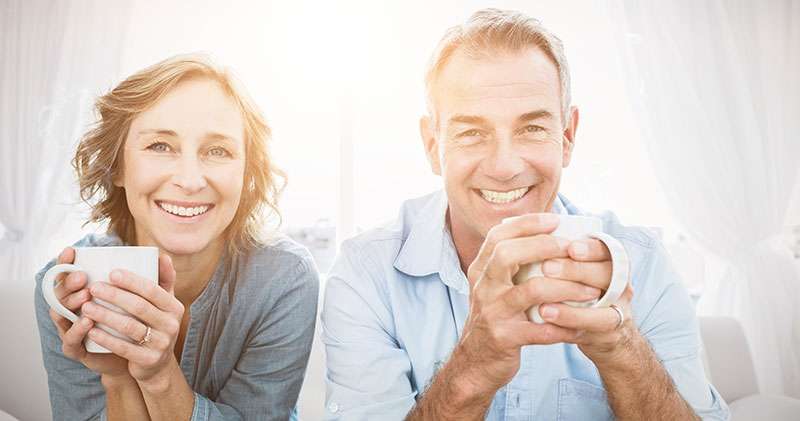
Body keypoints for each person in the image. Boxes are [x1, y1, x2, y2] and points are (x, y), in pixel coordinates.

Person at [322, 8, 729, 420]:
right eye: (471, 133)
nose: (504, 166)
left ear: (566, 137)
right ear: (432, 145)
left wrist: (623, 350)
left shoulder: (642, 262)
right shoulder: (366, 274)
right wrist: (473, 367)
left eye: (532, 129)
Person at [34, 54, 319, 421]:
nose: (190, 179)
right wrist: (118, 377)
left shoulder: (282, 278)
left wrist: (158, 376)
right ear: (117, 166)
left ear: (248, 172)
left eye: (218, 151)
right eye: (159, 146)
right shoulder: (63, 289)